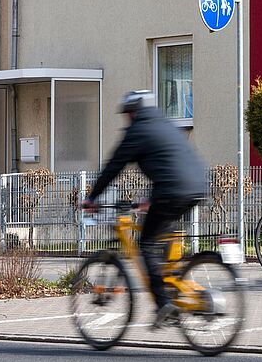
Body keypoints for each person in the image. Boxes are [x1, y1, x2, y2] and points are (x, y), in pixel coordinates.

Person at [82, 90, 207, 328]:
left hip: (172, 190)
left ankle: (163, 305)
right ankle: (172, 285)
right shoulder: (166, 125)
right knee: (163, 235)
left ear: (133, 112)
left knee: (147, 244)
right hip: (197, 186)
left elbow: (113, 166)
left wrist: (92, 197)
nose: (127, 119)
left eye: (128, 114)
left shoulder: (137, 131)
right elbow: (169, 164)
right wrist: (150, 197)